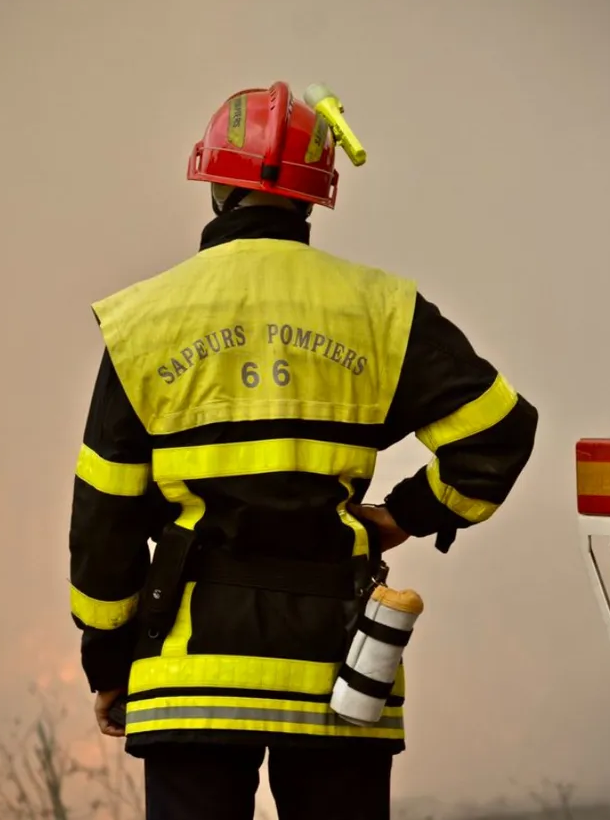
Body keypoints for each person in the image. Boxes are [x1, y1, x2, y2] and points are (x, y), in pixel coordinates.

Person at [67, 81, 539, 820]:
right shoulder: (381, 310)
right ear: (315, 197)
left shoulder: (143, 321)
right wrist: (403, 515)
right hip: (338, 668)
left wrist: (106, 657)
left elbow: (107, 515)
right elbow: (499, 434)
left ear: (216, 184)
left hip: (190, 675)